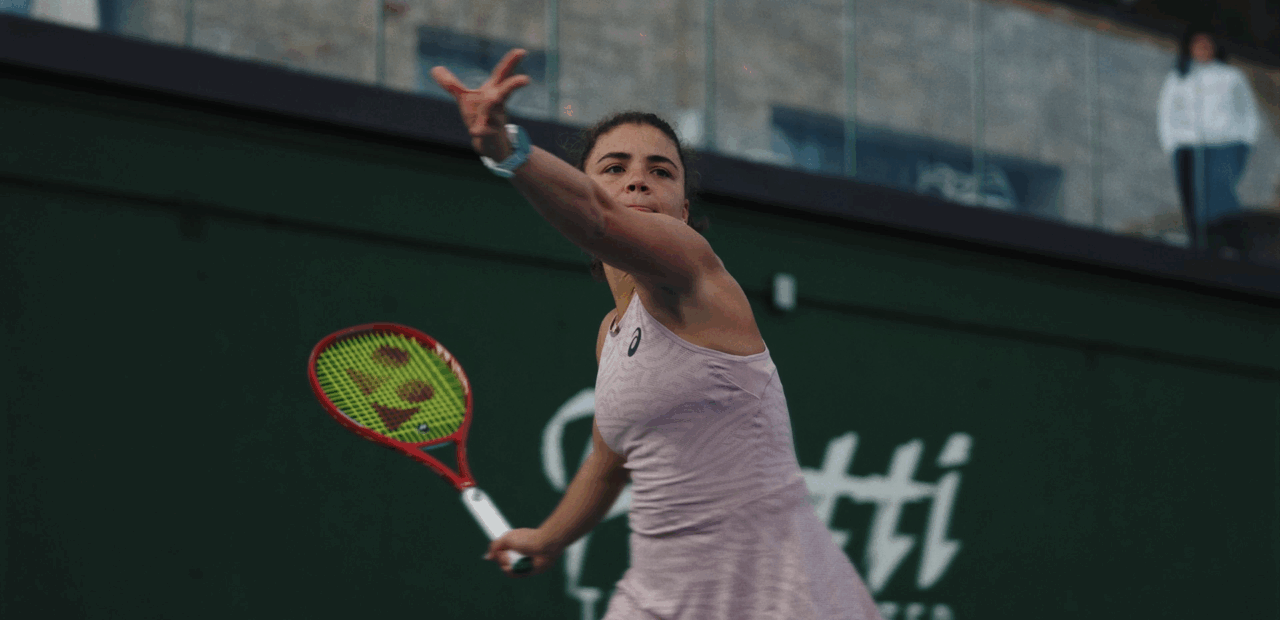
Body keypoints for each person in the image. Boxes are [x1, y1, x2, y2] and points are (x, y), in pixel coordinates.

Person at [432, 50, 883, 619]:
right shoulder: (611, 334)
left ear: (684, 213)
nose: (637, 180)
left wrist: (506, 149)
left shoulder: (694, 272)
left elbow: (598, 218)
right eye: (614, 168)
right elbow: (609, 462)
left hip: (776, 597)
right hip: (659, 597)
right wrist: (548, 538)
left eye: (660, 171)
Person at [1157, 26, 1261, 254]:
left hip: (1224, 144)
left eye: (1207, 45)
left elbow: (1248, 111)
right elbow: (1166, 113)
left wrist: (1246, 141)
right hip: (1188, 146)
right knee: (1192, 200)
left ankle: (1230, 245)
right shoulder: (1178, 78)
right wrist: (1171, 144)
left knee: (1219, 197)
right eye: (1198, 45)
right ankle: (1200, 247)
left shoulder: (1231, 76)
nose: (1202, 49)